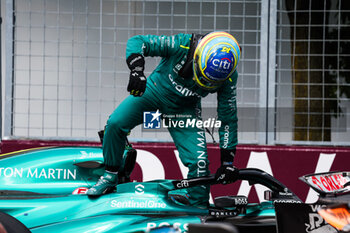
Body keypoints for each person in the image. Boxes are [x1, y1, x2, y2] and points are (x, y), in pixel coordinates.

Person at [87, 31, 241, 207]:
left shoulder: (229, 77)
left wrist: (228, 161)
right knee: (115, 124)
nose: (207, 83)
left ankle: (199, 210)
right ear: (198, 57)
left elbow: (228, 116)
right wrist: (137, 70)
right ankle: (110, 176)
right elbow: (138, 41)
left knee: (199, 163)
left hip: (184, 109)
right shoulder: (182, 44)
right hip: (153, 93)